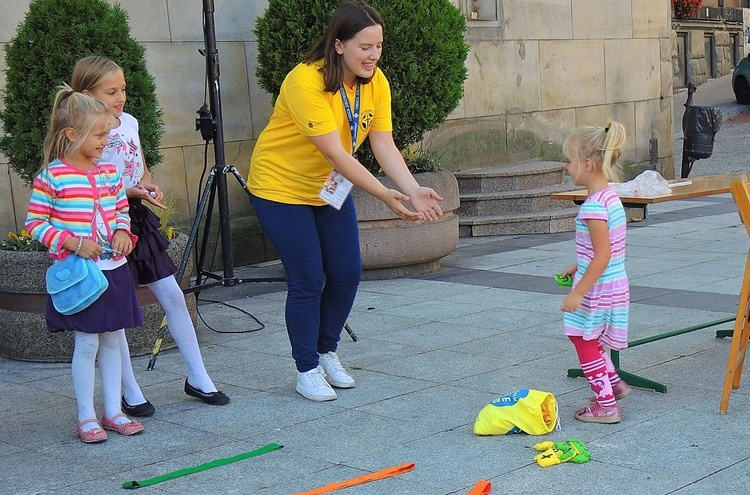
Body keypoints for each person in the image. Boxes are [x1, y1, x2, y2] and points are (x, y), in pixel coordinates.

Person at [247, 0, 444, 401]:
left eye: (378, 47)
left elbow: (382, 141)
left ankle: (326, 351)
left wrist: (410, 188)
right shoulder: (305, 81)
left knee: (347, 272)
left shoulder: (376, 82)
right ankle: (306, 369)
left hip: (327, 190)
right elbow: (337, 154)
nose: (373, 55)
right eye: (364, 47)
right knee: (307, 280)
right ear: (339, 45)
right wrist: (386, 194)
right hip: (280, 188)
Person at [71, 56, 229, 416]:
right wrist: (127, 193)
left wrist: (146, 185)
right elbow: (89, 186)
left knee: (172, 294)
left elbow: (138, 167)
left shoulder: (129, 122)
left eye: (123, 89)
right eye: (111, 91)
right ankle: (129, 389)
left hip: (136, 219)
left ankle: (199, 376)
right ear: (85, 94)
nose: (121, 97)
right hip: (104, 223)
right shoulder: (83, 135)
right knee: (120, 306)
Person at [26, 87, 145, 442]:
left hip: (114, 270)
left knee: (112, 340)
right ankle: (86, 416)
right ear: (71, 135)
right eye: (98, 134)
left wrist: (124, 231)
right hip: (82, 277)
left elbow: (120, 210)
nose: (105, 141)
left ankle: (113, 411)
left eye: (107, 133)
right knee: (87, 343)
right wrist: (73, 242)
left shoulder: (109, 172)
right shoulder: (53, 176)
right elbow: (35, 223)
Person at [559, 121, 631, 424]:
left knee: (582, 339)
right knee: (592, 337)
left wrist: (578, 291)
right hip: (613, 282)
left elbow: (602, 255)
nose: (567, 167)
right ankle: (612, 384)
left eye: (570, 160)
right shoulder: (611, 198)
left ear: (587, 164)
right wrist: (579, 264)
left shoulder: (592, 206)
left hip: (597, 288)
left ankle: (606, 405)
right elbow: (604, 248)